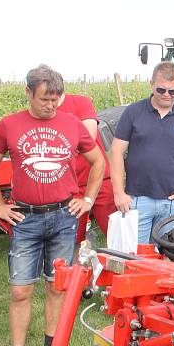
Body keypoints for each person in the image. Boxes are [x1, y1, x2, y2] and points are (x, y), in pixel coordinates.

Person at [0, 65, 106, 346]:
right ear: (28, 93)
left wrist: (88, 200)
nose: (51, 105)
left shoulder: (72, 124)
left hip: (64, 217)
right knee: (21, 290)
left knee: (56, 286)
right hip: (25, 218)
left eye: (56, 99)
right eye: (45, 99)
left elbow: (97, 162)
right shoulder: (9, 125)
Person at [110, 62, 174, 244]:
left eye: (173, 92)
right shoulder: (134, 112)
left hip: (172, 202)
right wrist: (119, 193)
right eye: (161, 90)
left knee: (167, 257)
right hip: (137, 200)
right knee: (135, 256)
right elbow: (116, 151)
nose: (167, 95)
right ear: (151, 84)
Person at [56, 91, 115, 245]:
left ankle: (125, 267)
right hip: (70, 186)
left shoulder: (79, 102)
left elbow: (89, 135)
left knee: (116, 234)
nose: (48, 103)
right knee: (72, 240)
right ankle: (74, 269)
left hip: (100, 179)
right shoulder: (43, 111)